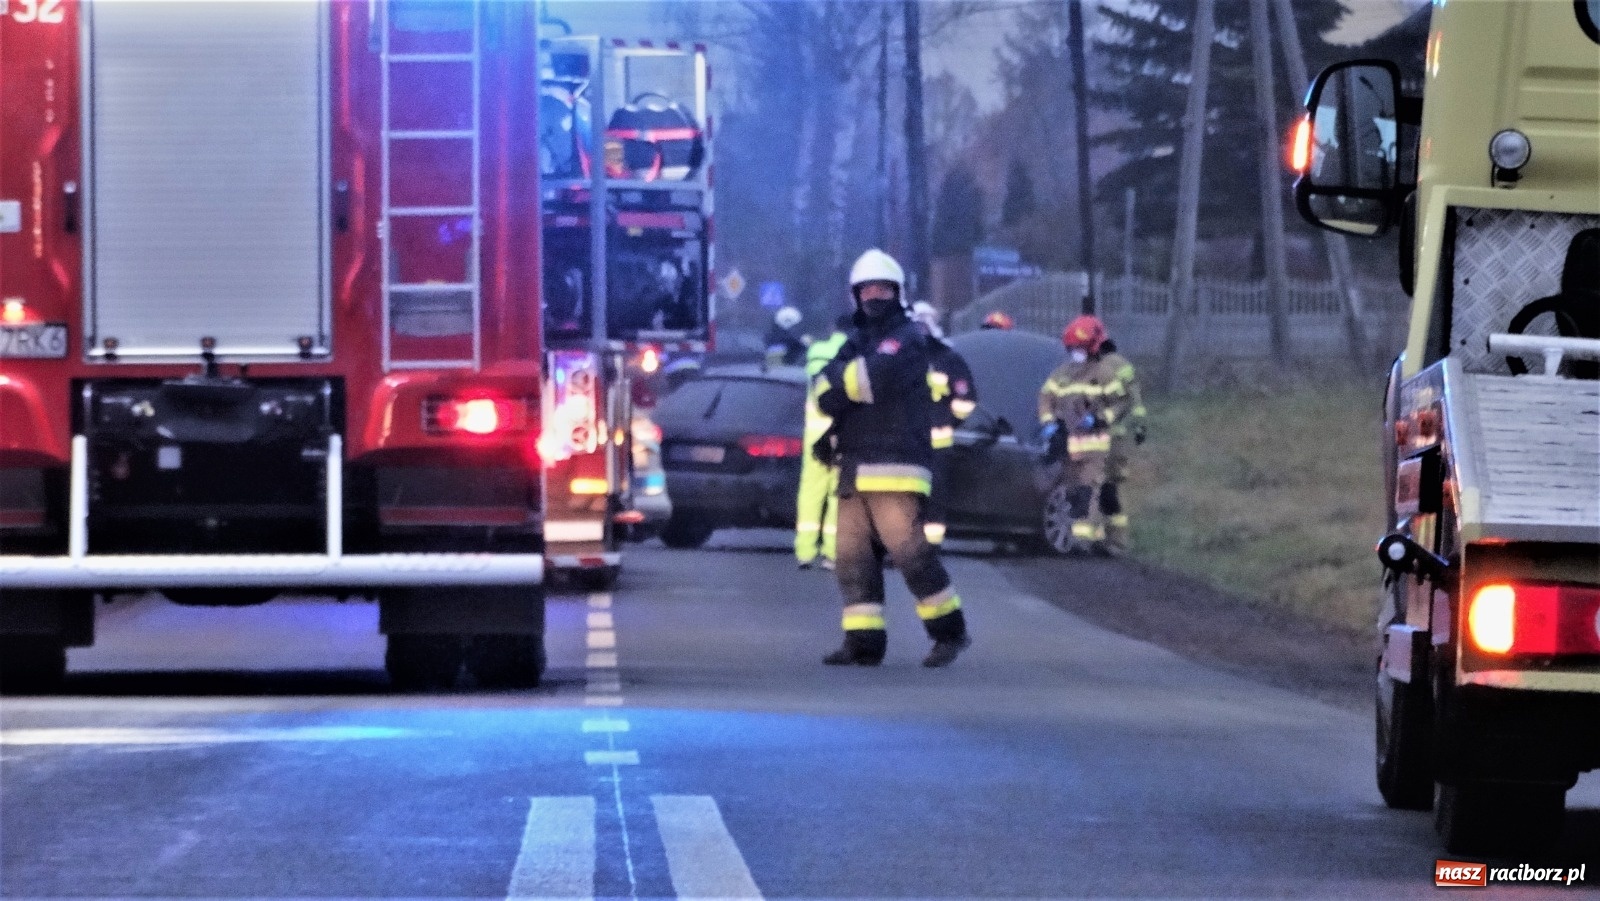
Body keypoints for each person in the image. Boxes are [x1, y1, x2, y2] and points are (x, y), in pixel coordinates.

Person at [813, 249, 971, 668]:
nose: (876, 296)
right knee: (851, 558)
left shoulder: (907, 338)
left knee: (910, 554)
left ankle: (950, 632)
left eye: (884, 289)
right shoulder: (857, 341)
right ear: (856, 295)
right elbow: (822, 389)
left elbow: (868, 380)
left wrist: (840, 386)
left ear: (899, 293)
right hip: (854, 466)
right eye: (868, 289)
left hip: (896, 466)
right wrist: (840, 388)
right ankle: (863, 643)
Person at [1037, 314, 1134, 556]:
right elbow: (1046, 399)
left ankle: (1082, 543)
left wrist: (1100, 419)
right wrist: (1050, 424)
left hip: (1094, 445)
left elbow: (1122, 403)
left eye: (1080, 348)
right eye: (1073, 348)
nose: (1076, 353)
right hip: (1068, 445)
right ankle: (1082, 539)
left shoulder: (1104, 373)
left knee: (1087, 490)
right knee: (1071, 491)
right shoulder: (1062, 374)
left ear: (1092, 347)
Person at [909, 301, 977, 546]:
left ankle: (926, 546)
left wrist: (948, 421)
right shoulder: (943, 358)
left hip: (928, 443)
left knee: (929, 496)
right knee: (916, 496)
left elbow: (965, 400)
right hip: (913, 442)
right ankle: (912, 546)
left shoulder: (948, 359)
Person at [794, 313, 852, 570]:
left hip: (814, 433)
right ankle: (831, 553)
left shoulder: (817, 350)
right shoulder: (856, 353)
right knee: (838, 494)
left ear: (833, 327)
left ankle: (805, 551)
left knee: (810, 492)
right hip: (844, 432)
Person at [1097, 335, 1146, 556]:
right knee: (1112, 488)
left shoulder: (1100, 366)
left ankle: (1108, 539)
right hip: (1118, 438)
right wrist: (1140, 428)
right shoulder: (1125, 366)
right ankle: (1115, 539)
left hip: (1103, 437)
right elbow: (1135, 401)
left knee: (1102, 488)